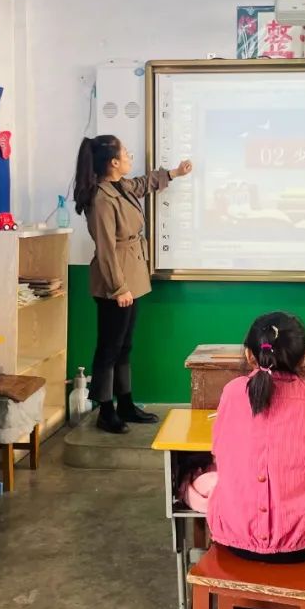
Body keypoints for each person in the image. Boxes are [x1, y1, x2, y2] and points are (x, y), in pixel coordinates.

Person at [208, 312, 305, 609]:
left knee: (249, 553)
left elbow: (218, 445)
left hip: (234, 539)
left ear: (251, 354)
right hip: (302, 544)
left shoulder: (233, 393)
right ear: (303, 357)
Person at [73, 135, 192, 434]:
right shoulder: (101, 198)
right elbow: (105, 249)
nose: (129, 155)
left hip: (132, 277)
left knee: (124, 346)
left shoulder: (121, 187)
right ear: (113, 162)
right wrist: (118, 288)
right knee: (109, 348)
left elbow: (142, 183)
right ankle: (105, 410)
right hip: (116, 282)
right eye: (125, 153)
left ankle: (125, 403)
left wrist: (173, 173)